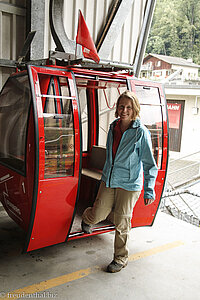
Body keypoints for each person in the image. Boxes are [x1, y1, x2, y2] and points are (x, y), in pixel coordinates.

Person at [81, 90, 158, 273]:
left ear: (135, 109)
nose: (124, 110)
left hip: (130, 183)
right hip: (109, 179)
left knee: (123, 221)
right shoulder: (114, 127)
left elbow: (149, 163)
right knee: (98, 213)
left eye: (129, 107)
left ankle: (120, 259)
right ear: (117, 108)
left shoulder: (141, 133)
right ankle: (86, 218)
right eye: (122, 106)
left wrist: (149, 189)